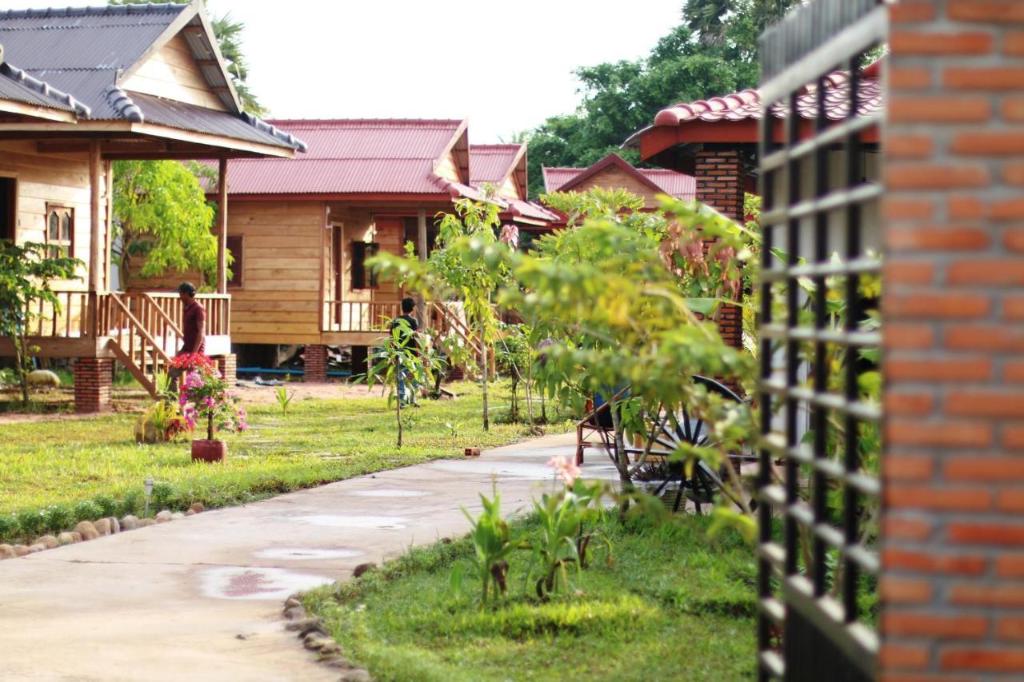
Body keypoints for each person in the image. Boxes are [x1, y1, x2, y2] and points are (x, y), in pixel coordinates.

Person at [169, 282, 207, 383]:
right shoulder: (187, 308)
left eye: (180, 294)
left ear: (186, 294)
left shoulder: (198, 308)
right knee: (172, 371)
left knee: (195, 378)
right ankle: (171, 398)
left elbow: (201, 332)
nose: (179, 297)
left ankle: (200, 397)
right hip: (187, 347)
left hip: (196, 349)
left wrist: (194, 354)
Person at [389, 297, 419, 405]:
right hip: (410, 352)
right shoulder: (413, 321)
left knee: (400, 376)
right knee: (413, 375)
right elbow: (415, 338)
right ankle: (412, 399)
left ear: (402, 308)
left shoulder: (395, 321)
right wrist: (418, 353)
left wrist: (392, 353)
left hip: (398, 352)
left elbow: (391, 338)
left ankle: (401, 401)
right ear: (412, 308)